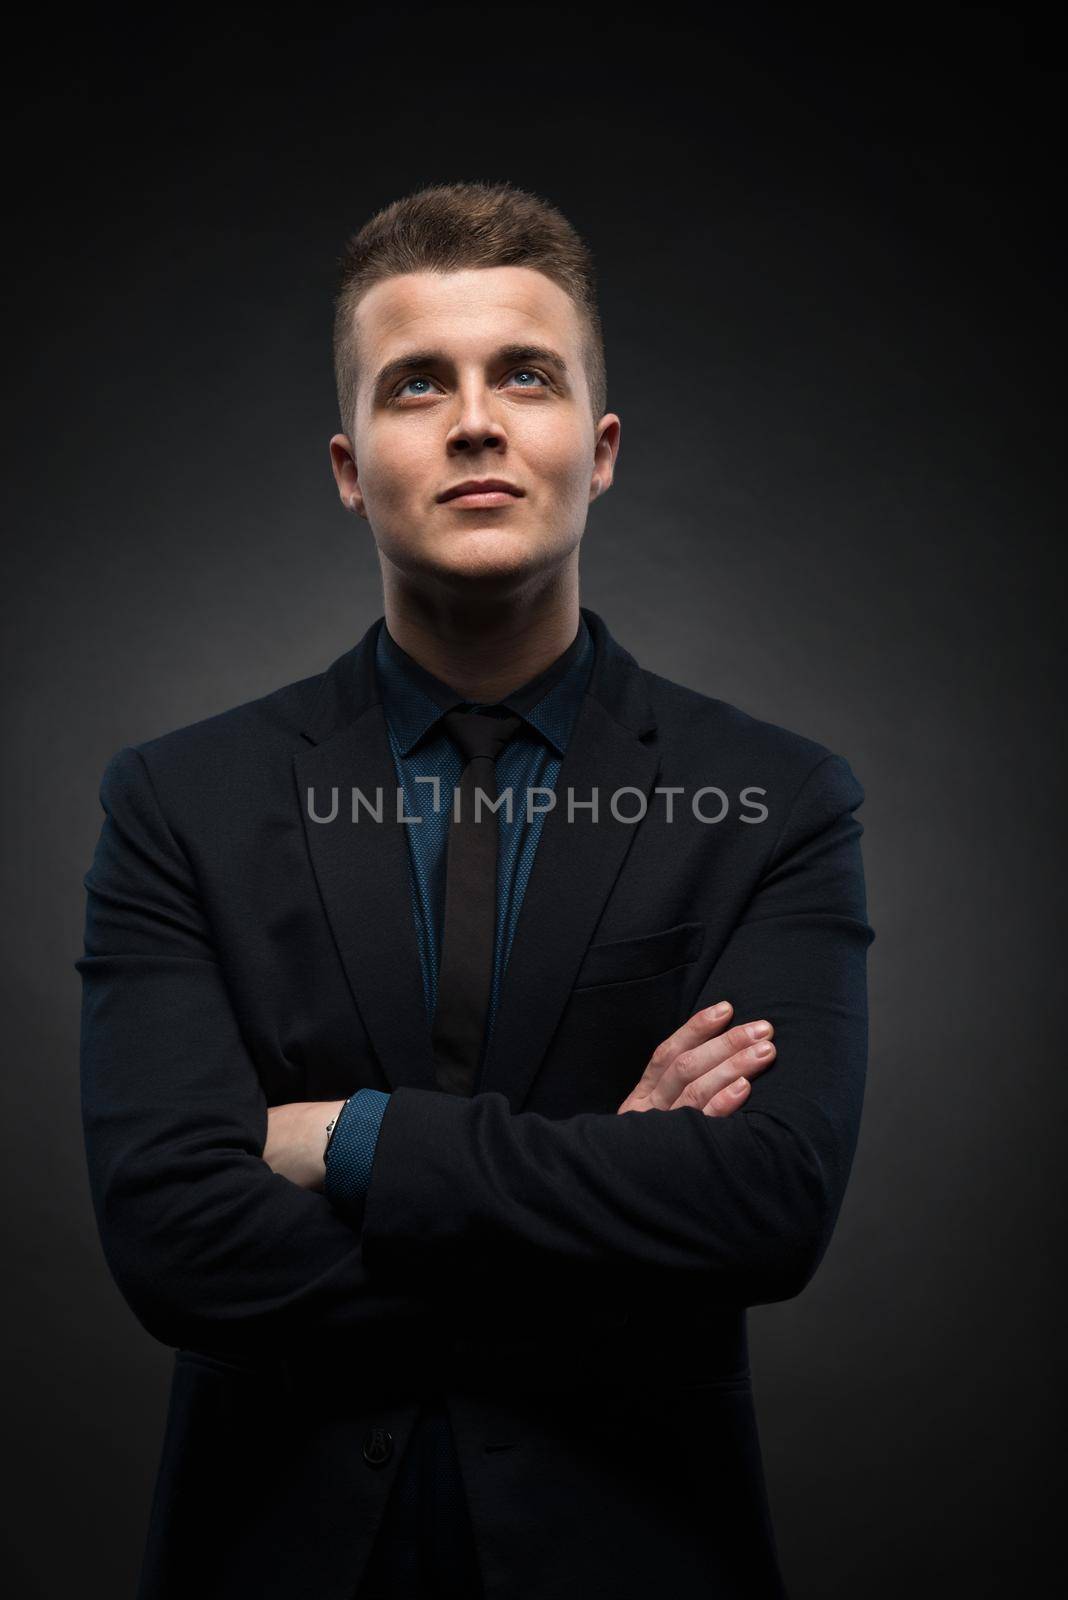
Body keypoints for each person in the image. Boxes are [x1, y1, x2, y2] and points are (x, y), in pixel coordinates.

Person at [77, 179, 875, 1600]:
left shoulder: (777, 798)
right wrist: (610, 1200)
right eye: (414, 386)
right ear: (347, 463)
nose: (474, 420)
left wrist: (355, 1139)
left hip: (638, 1556)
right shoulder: (178, 801)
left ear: (601, 446)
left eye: (525, 373)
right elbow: (168, 1237)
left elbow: (765, 1204)